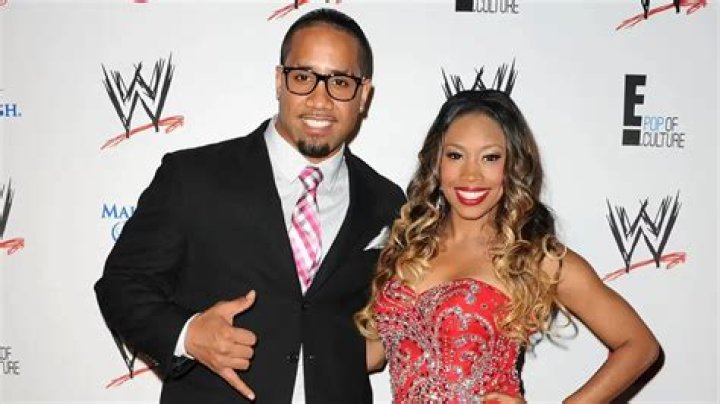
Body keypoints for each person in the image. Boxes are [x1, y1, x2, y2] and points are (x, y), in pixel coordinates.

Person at [95, 8, 405, 404]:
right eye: (303, 77)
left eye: (340, 82)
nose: (320, 99)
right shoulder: (193, 177)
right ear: (279, 81)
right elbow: (121, 284)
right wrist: (188, 334)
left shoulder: (386, 201)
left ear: (363, 95)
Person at [355, 90, 660, 403]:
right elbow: (373, 354)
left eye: (490, 158)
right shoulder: (408, 247)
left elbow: (639, 346)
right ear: (437, 162)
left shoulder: (532, 257)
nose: (470, 174)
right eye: (455, 155)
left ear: (512, 164)